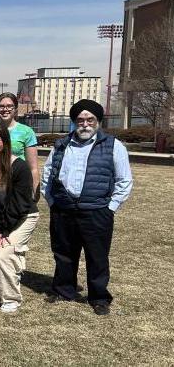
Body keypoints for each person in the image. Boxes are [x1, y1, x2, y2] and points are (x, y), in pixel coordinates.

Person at [41, 99, 133, 316]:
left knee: (97, 256)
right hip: (63, 210)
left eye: (90, 119)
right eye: (80, 120)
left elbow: (124, 180)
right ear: (74, 122)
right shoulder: (61, 145)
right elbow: (48, 175)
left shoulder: (113, 145)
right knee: (63, 253)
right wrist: (53, 202)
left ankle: (99, 297)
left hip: (97, 211)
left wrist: (111, 207)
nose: (85, 124)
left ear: (98, 121)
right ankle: (64, 290)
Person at [0, 123, 39, 313]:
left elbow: (20, 203)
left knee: (4, 253)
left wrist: (4, 229)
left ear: (5, 142)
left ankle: (10, 298)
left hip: (23, 217)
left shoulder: (19, 167)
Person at [0, 92, 40, 200]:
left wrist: (35, 193)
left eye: (10, 106)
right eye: (1, 106)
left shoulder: (26, 132)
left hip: (19, 184)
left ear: (15, 109)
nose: (5, 109)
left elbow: (33, 168)